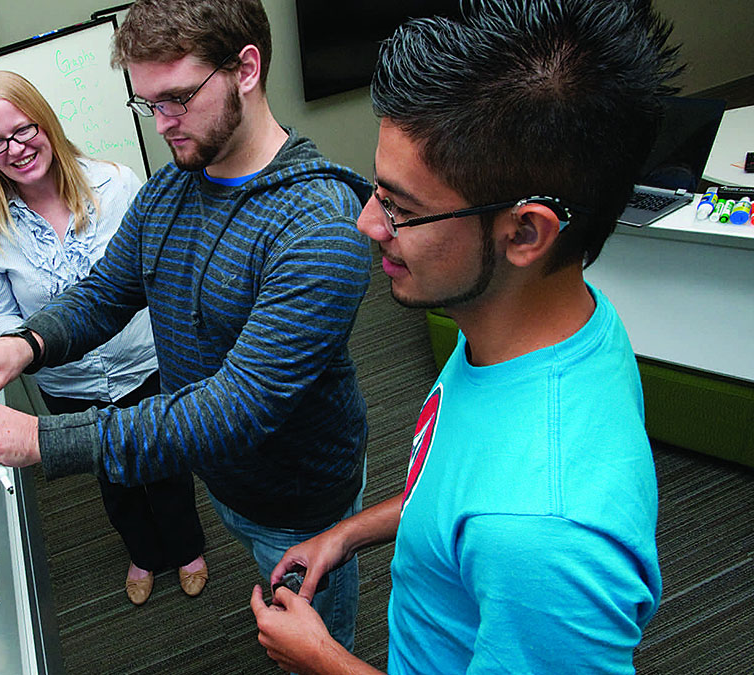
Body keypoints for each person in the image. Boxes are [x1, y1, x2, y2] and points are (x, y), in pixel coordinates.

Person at [0, 0, 373, 652]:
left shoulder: (316, 222)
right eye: (148, 104)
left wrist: (44, 438)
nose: (162, 125)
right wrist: (25, 344)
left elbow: (233, 408)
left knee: (319, 648)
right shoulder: (170, 189)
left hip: (298, 502)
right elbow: (103, 295)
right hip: (228, 480)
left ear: (245, 68)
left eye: (177, 99)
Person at [248, 0, 680, 672]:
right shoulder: (554, 323)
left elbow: (505, 515)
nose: (367, 224)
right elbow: (456, 484)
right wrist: (350, 532)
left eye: (400, 208)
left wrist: (321, 657)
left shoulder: (546, 539)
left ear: (525, 233)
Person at [0, 70, 206, 605]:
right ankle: (143, 554)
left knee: (165, 462)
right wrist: (22, 344)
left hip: (144, 363)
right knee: (112, 478)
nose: (16, 149)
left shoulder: (117, 185)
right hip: (69, 382)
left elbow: (161, 277)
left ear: (45, 122)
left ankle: (188, 549)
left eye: (24, 130)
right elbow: (1, 321)